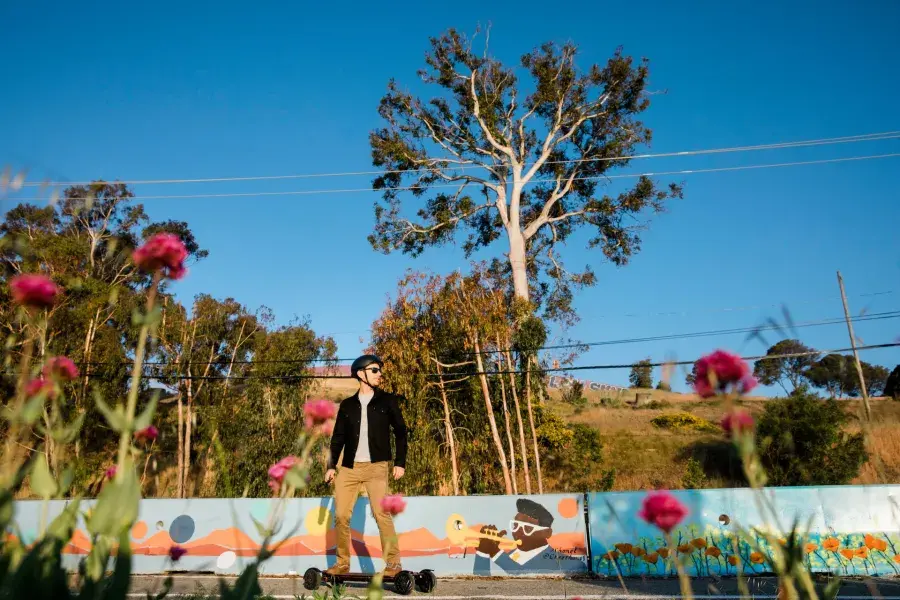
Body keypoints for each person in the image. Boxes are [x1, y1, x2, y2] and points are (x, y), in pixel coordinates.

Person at [324, 354, 408, 577]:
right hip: (349, 468)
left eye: (379, 370)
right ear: (361, 374)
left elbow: (400, 432)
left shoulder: (388, 401)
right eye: (374, 370)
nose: (380, 374)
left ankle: (393, 564)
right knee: (341, 516)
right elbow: (338, 437)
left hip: (377, 467)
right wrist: (331, 466)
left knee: (382, 514)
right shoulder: (347, 405)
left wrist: (400, 462)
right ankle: (342, 564)